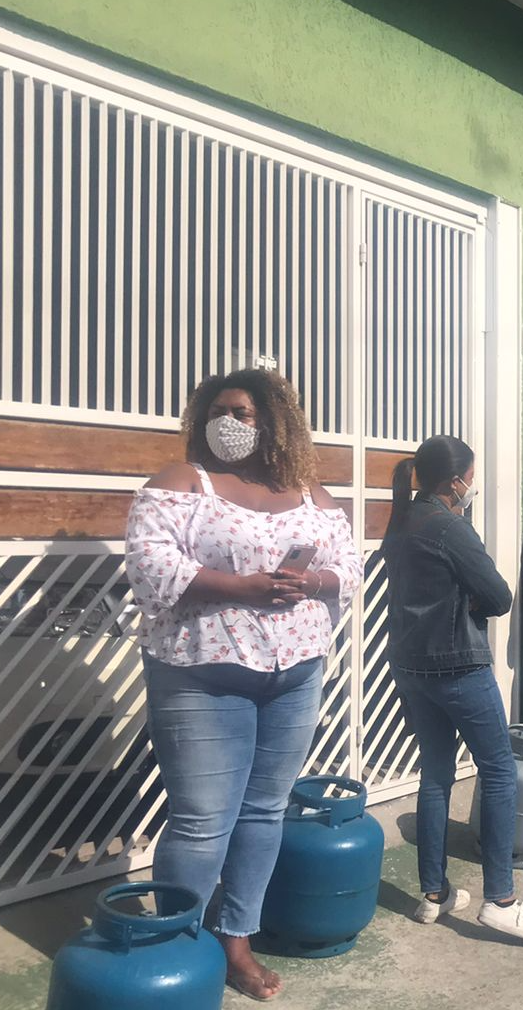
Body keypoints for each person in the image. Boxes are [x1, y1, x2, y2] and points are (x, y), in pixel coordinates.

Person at [124, 369, 364, 1001]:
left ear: (276, 421)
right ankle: (176, 946)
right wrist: (243, 588)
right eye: (220, 410)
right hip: (201, 674)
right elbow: (150, 565)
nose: (230, 422)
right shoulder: (183, 483)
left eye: (246, 413)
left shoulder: (309, 492)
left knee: (263, 812)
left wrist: (310, 584)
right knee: (203, 820)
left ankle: (235, 939)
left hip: (295, 672)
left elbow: (349, 567)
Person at [383, 436, 523, 944]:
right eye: (470, 476)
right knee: (499, 770)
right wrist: (473, 605)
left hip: (412, 666)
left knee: (435, 774)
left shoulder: (402, 521)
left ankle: (432, 894)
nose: (471, 485)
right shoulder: (450, 526)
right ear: (453, 480)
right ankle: (500, 900)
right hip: (458, 663)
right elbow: (500, 596)